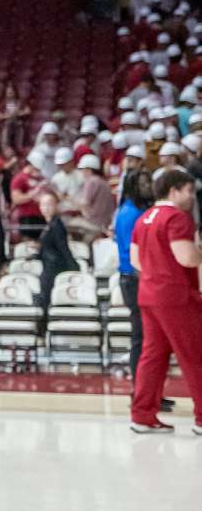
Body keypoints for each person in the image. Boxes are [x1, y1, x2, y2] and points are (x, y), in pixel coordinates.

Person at [128, 169, 202, 435]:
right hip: (176, 296)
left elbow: (135, 260)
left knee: (152, 356)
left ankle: (142, 415)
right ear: (174, 190)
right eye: (189, 190)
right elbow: (187, 259)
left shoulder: (144, 219)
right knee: (195, 355)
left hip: (148, 294)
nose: (192, 197)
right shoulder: (177, 219)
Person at [115, 170, 159, 403]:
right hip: (134, 278)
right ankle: (140, 391)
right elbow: (134, 254)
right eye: (143, 183)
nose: (148, 186)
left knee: (150, 338)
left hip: (138, 277)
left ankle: (151, 391)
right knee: (140, 337)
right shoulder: (130, 213)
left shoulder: (140, 211)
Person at [36, 192, 78, 310]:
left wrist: (73, 266)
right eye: (43, 205)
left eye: (49, 204)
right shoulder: (49, 225)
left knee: (49, 300)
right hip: (48, 265)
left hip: (54, 268)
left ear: (56, 206)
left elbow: (63, 247)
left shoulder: (56, 225)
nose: (46, 208)